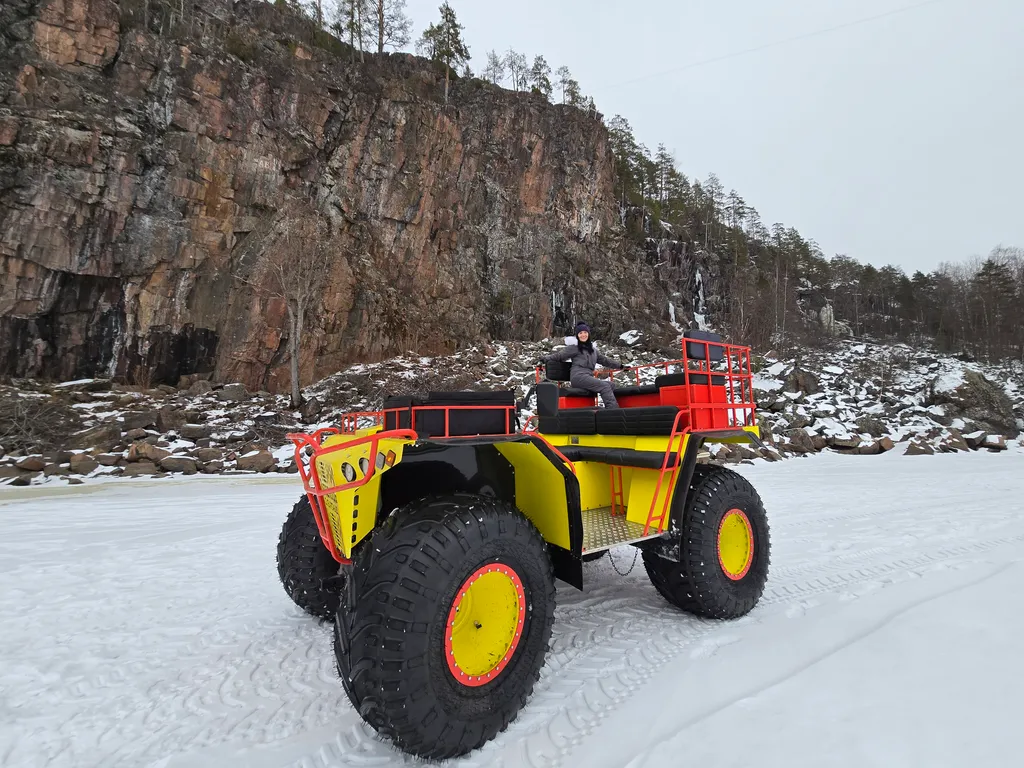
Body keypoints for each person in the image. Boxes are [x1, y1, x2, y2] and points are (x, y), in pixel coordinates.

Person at [540, 322, 624, 408]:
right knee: (604, 386)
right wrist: (545, 358)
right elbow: (559, 356)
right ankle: (613, 410)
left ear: (588, 334)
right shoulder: (574, 348)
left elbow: (605, 360)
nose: (583, 335)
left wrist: (620, 366)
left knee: (611, 385)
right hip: (578, 377)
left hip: (588, 377)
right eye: (580, 333)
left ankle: (621, 408)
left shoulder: (593, 350)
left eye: (585, 332)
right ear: (577, 336)